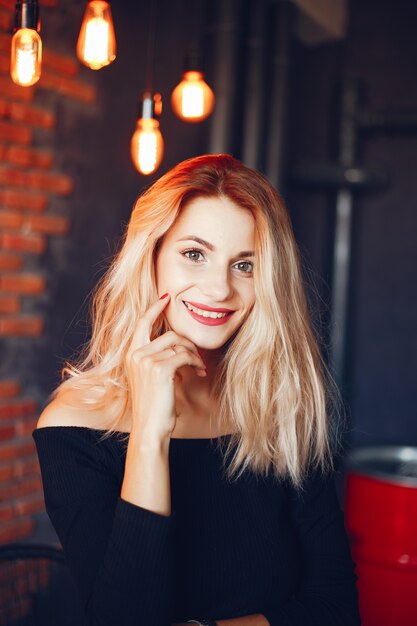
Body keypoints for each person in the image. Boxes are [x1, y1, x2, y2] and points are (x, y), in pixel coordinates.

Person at [33, 154, 361, 626]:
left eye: (244, 265)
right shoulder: (74, 425)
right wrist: (149, 435)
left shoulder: (282, 406)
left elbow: (335, 607)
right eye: (194, 254)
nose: (219, 288)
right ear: (152, 259)